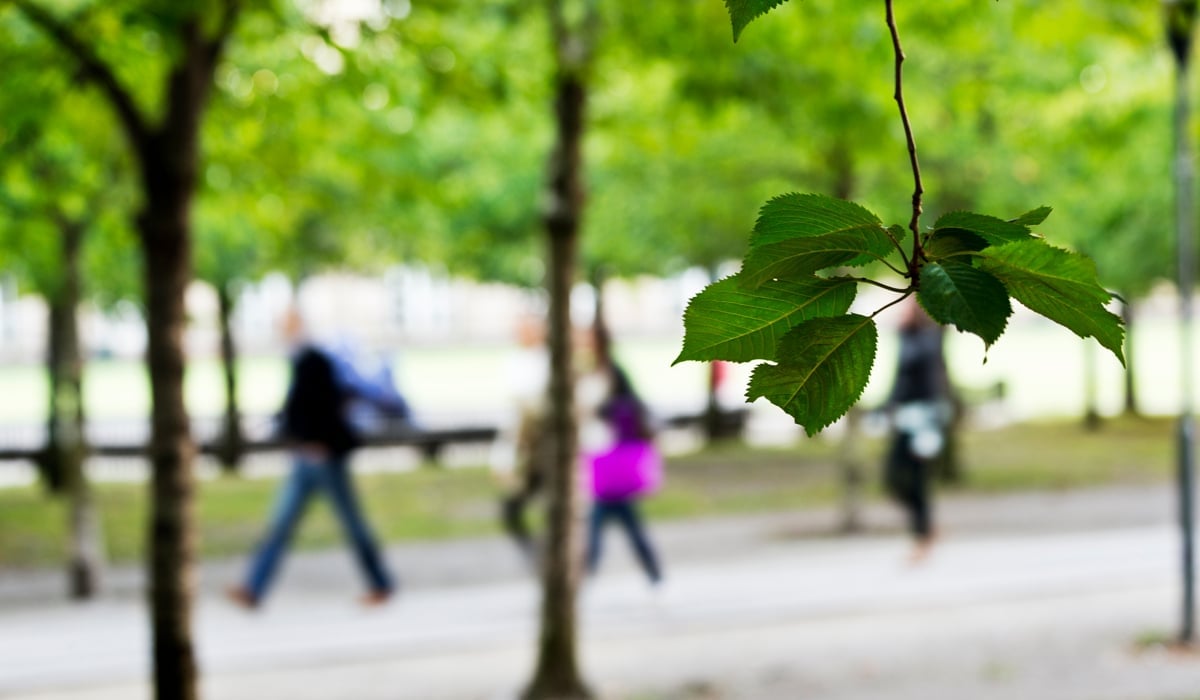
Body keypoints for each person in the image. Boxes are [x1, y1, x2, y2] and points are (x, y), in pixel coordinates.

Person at [227, 310, 406, 609]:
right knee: (281, 524)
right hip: (305, 458)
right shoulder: (302, 361)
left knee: (349, 523)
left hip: (323, 458)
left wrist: (321, 442)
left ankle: (381, 582)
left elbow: (329, 404)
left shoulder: (316, 361)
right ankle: (254, 587)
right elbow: (295, 410)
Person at [883, 298, 952, 563]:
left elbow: (934, 379)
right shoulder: (905, 337)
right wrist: (887, 406)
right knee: (895, 476)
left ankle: (923, 534)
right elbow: (898, 378)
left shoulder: (929, 339)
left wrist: (935, 419)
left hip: (923, 418)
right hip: (904, 417)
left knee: (918, 480)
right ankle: (924, 529)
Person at [583, 360, 664, 585]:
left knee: (598, 529)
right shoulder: (634, 405)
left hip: (610, 476)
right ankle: (653, 572)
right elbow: (651, 432)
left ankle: (585, 574)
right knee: (630, 528)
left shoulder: (610, 408)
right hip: (623, 477)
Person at [493, 313, 552, 565]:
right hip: (527, 451)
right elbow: (512, 416)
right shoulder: (516, 362)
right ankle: (539, 556)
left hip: (546, 449)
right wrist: (502, 457)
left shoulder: (549, 361)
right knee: (512, 508)